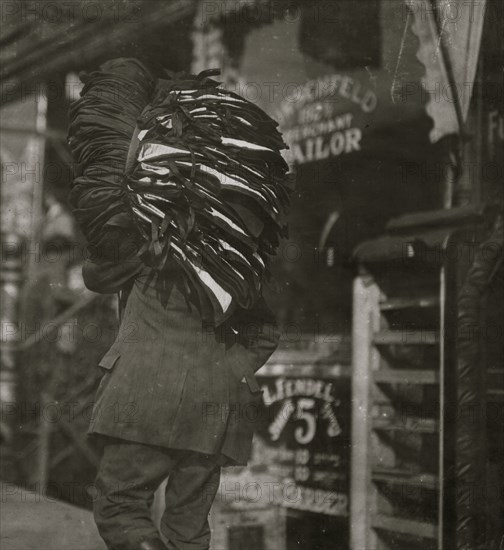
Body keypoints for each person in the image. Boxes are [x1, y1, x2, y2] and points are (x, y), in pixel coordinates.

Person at [68, 58, 289, 550]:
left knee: (120, 506)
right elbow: (266, 331)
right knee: (189, 527)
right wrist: (228, 367)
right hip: (215, 406)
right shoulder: (236, 265)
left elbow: (95, 275)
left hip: (145, 397)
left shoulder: (142, 251)